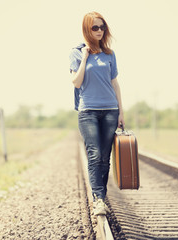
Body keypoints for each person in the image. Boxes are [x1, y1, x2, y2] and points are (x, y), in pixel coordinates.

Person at [69, 11, 125, 216]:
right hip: (88, 111)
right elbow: (76, 82)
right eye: (95, 27)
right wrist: (84, 57)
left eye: (102, 27)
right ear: (87, 29)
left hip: (110, 110)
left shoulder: (109, 54)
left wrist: (121, 111)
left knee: (104, 158)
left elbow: (115, 84)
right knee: (94, 155)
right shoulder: (76, 53)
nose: (100, 31)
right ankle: (99, 199)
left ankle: (101, 196)